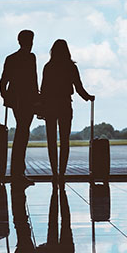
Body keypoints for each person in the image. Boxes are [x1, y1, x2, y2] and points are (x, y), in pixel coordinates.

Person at [39, 39, 94, 184]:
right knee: (64, 140)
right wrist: (88, 97)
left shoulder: (48, 67)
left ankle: (54, 173)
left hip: (50, 105)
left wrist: (41, 108)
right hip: (64, 104)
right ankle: (62, 172)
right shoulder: (71, 67)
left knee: (51, 140)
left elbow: (43, 89)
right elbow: (78, 87)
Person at [0, 30, 40, 187]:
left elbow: (3, 82)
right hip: (27, 101)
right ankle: (17, 173)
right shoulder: (30, 58)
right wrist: (37, 100)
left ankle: (17, 172)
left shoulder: (11, 59)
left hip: (17, 101)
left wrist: (7, 98)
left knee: (22, 133)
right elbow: (33, 80)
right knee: (23, 133)